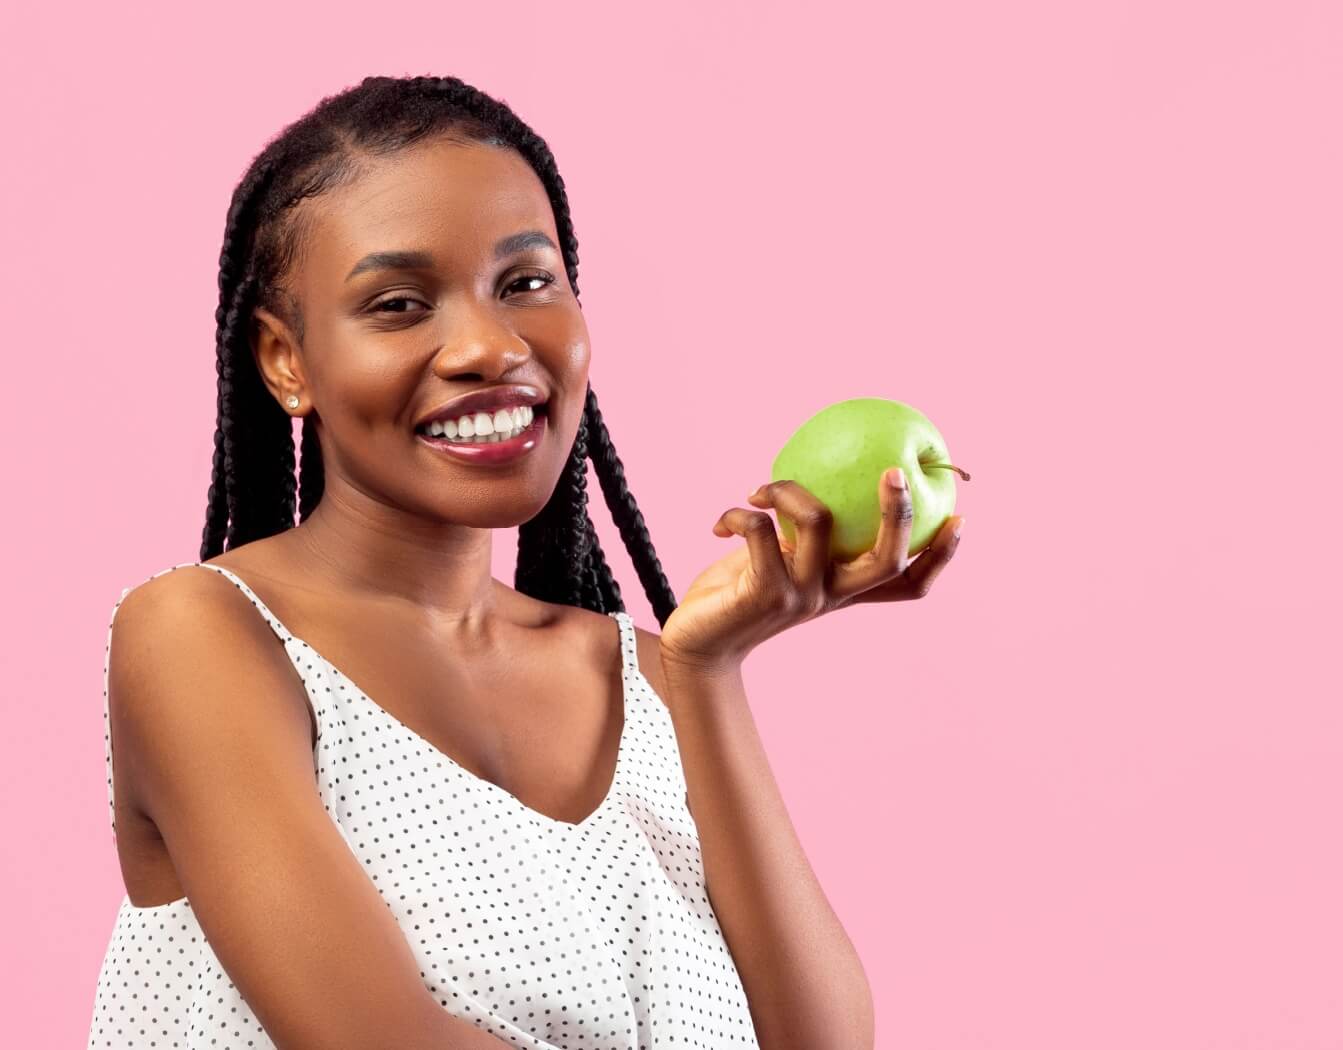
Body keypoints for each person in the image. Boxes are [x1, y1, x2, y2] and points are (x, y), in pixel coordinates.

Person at [87, 74, 964, 1050]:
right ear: (287, 360)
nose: (488, 346)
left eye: (524, 282)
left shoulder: (647, 678)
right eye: (399, 303)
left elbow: (819, 1042)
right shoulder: (200, 633)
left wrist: (706, 671)